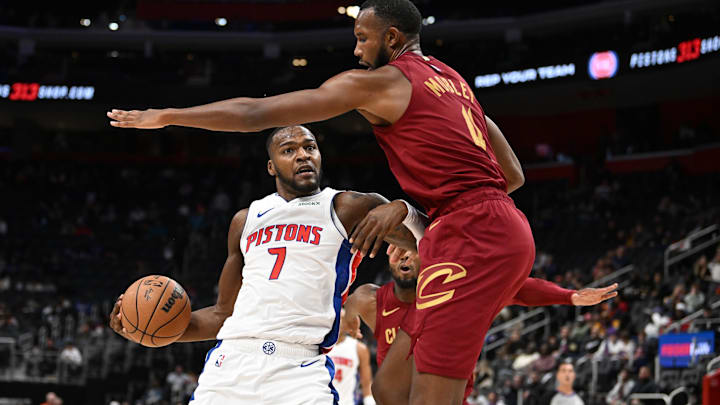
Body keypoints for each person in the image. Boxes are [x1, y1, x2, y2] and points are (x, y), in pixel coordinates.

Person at [106, 1, 619, 403]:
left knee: (426, 397)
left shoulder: (378, 89)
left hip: (462, 234)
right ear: (270, 167)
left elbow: (255, 112)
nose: (356, 50)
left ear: (391, 38)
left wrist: (168, 115)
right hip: (488, 223)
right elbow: (512, 175)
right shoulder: (454, 82)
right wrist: (444, 208)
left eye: (362, 37)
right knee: (393, 393)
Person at [109, 126, 423, 404]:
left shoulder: (346, 207)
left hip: (299, 371)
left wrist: (404, 210)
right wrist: (150, 331)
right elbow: (223, 314)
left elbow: (435, 241)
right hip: (231, 364)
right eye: (289, 150)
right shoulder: (245, 220)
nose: (302, 155)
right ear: (271, 166)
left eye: (309, 147)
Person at [345, 249, 619, 405]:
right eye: (394, 250)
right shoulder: (369, 299)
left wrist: (569, 296)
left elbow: (519, 288)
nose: (403, 257)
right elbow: (342, 313)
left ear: (425, 254)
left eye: (409, 250)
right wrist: (347, 325)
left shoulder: (457, 289)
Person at [330, 309, 374, 405]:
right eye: (336, 318)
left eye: (342, 319)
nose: (339, 322)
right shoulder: (320, 346)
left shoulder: (359, 349)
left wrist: (370, 402)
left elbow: (366, 384)